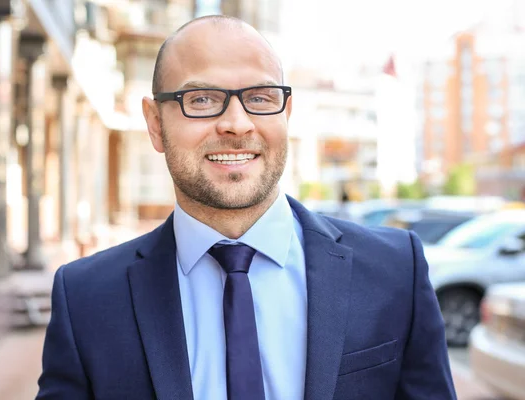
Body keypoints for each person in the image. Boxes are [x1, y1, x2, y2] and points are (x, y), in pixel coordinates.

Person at [36, 15, 456, 400]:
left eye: (259, 97)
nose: (237, 123)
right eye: (200, 99)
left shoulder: (396, 271)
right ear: (154, 123)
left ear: (286, 113)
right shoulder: (86, 299)